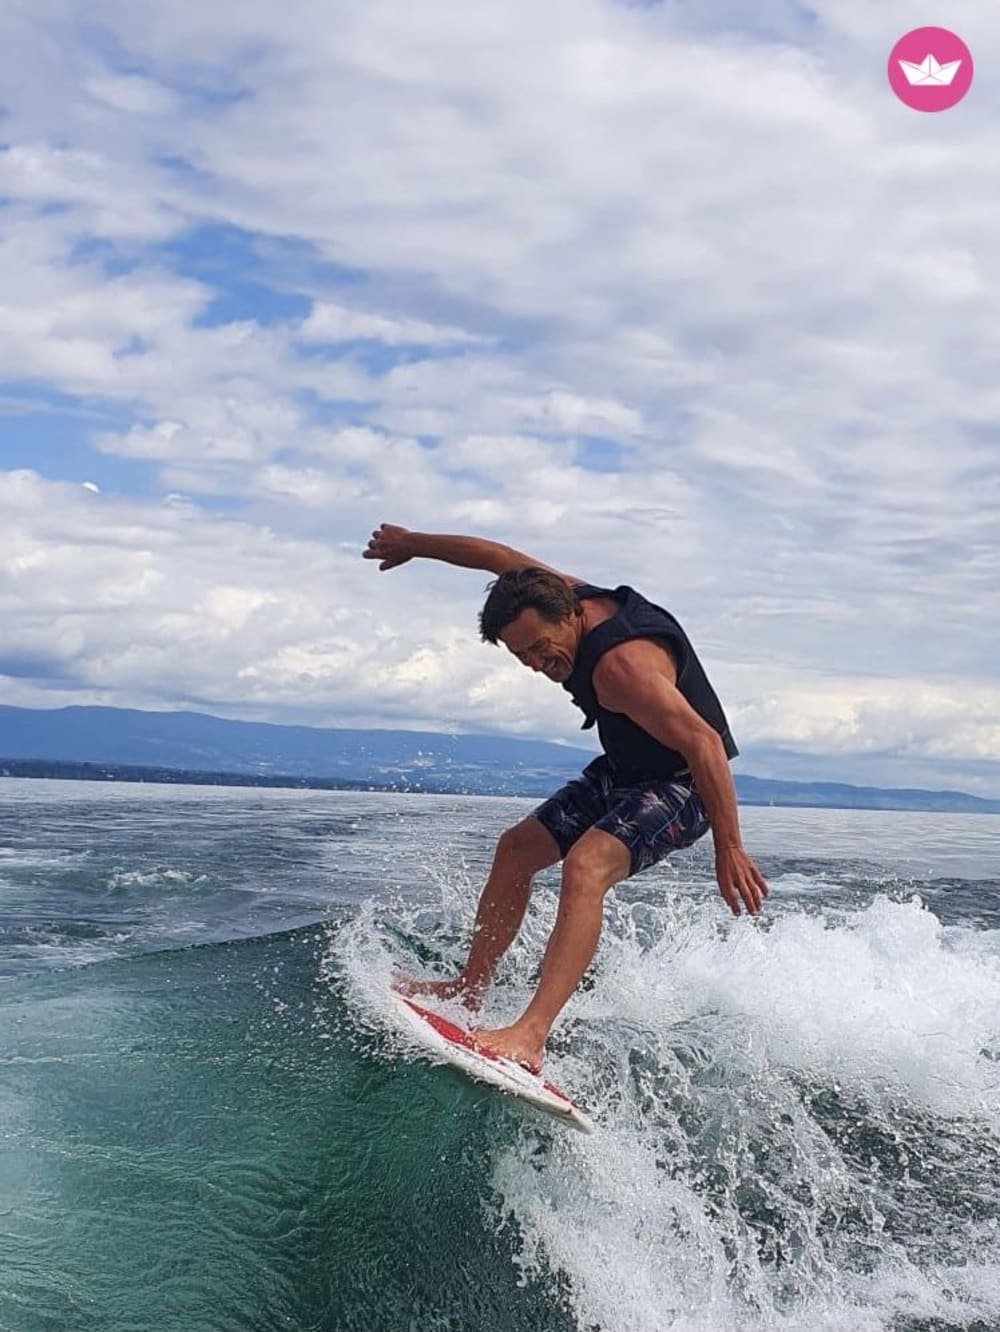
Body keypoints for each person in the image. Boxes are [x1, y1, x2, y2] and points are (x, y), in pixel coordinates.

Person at [363, 522, 769, 1072]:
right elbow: (496, 555)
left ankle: (530, 1036)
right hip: (625, 768)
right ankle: (469, 990)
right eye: (520, 654)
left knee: (586, 866)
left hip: (686, 782)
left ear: (571, 615)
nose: (535, 662)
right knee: (516, 850)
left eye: (539, 647)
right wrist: (414, 544)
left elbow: (705, 743)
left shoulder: (621, 670)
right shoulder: (552, 592)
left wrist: (730, 848)